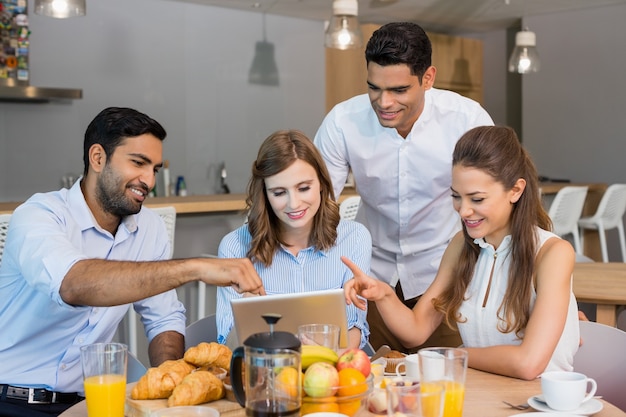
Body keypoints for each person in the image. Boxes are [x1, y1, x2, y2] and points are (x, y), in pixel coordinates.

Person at [0, 107, 264, 417]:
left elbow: (163, 320)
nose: (149, 180)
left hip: (91, 404)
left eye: (155, 168)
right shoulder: (39, 216)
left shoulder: (148, 229)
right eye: (138, 163)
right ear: (98, 158)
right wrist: (196, 268)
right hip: (12, 401)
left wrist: (170, 382)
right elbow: (75, 284)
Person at [343, 126, 579, 380]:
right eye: (456, 196)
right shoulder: (463, 245)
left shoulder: (553, 253)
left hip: (541, 403)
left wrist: (454, 354)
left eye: (476, 199)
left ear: (515, 190)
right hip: (482, 395)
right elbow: (416, 330)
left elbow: (528, 363)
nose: (463, 211)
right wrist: (384, 294)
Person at [314, 21, 494, 353]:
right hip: (373, 280)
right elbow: (314, 205)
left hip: (445, 282)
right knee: (372, 387)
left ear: (428, 78)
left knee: (446, 387)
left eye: (399, 91)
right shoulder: (343, 122)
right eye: (374, 88)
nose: (383, 103)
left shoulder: (467, 120)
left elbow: (498, 210)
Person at [216, 130, 371, 349]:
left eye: (304, 188)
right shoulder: (235, 247)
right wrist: (246, 310)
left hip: (333, 374)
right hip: (265, 376)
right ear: (265, 195)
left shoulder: (354, 238)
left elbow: (353, 328)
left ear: (322, 183)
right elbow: (228, 346)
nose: (294, 204)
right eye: (279, 193)